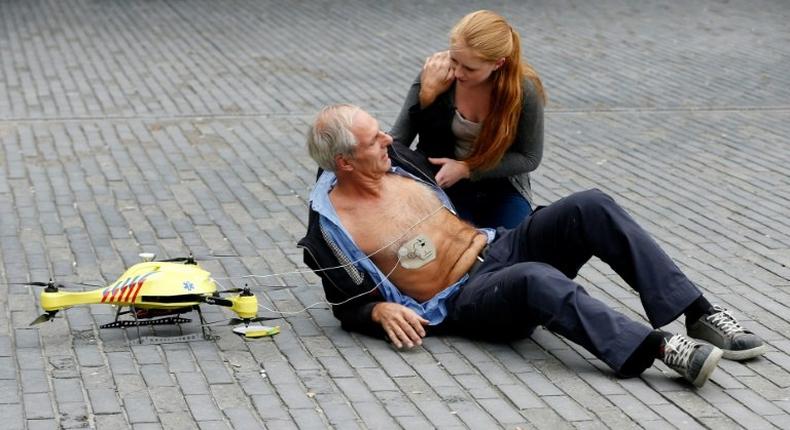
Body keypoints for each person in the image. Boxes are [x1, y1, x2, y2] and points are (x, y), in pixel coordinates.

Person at [299, 104, 767, 387]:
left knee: (590, 205)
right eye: (374, 138)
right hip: (468, 299)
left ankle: (698, 312)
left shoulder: (395, 159)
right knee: (535, 279)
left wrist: (429, 90)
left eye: (383, 131)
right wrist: (377, 313)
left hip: (499, 244)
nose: (388, 139)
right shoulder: (331, 231)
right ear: (344, 161)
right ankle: (660, 349)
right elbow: (344, 303)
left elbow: (429, 125)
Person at [390, 10, 545, 229]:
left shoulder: (522, 90)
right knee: (456, 248)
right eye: (454, 60)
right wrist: (427, 96)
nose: (458, 73)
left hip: (501, 185)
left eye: (470, 68)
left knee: (514, 247)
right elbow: (397, 141)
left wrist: (466, 168)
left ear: (498, 64)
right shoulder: (435, 74)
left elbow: (529, 157)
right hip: (442, 183)